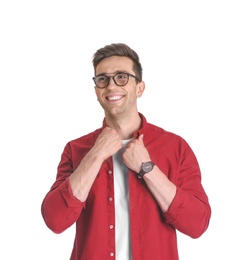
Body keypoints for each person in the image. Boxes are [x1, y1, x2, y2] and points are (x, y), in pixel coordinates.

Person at [41, 43, 211, 260]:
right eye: (103, 79)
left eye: (121, 77)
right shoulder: (76, 149)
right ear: (96, 91)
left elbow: (197, 224)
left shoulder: (175, 148)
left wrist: (147, 168)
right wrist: (95, 155)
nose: (111, 86)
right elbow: (55, 220)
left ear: (139, 88)